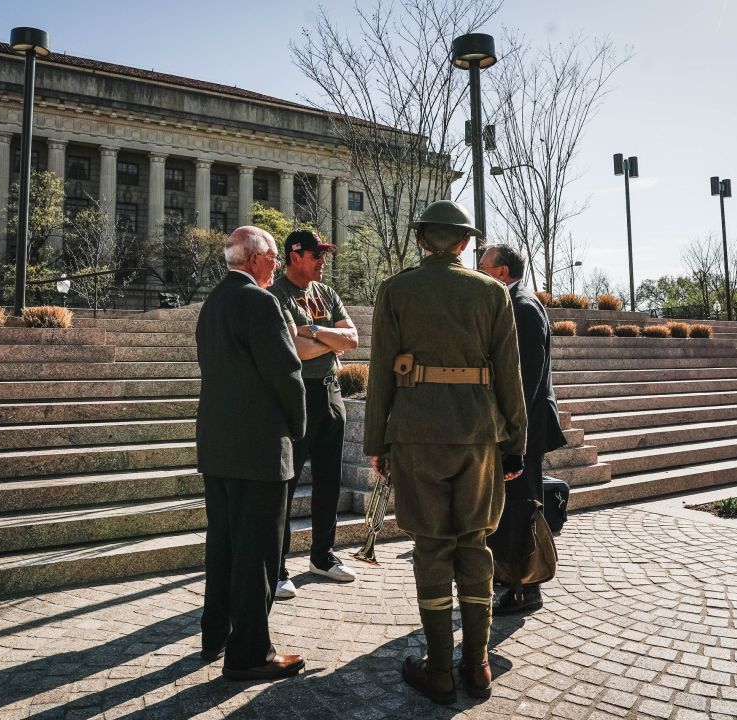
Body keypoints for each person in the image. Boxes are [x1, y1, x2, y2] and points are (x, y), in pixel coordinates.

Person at [363, 200, 528, 705]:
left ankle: (438, 670)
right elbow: (509, 375)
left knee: (432, 547)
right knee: (474, 543)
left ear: (421, 241)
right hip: (478, 436)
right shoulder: (493, 292)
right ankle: (477, 665)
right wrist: (515, 446)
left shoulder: (395, 290)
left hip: (415, 436)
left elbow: (380, 375)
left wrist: (377, 444)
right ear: (463, 243)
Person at [196, 226, 307, 681]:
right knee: (257, 553)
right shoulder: (261, 302)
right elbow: (287, 373)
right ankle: (249, 654)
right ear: (255, 258)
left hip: (218, 446)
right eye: (275, 256)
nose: (278, 264)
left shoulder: (212, 303)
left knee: (222, 544)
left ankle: (214, 633)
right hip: (260, 448)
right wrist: (299, 427)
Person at [477, 244, 569, 615]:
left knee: (521, 507)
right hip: (519, 427)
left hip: (524, 429)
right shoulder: (511, 303)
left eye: (482, 266)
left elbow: (525, 381)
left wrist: (512, 435)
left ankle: (525, 589)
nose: (477, 272)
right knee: (513, 505)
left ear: (501, 272)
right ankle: (509, 580)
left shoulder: (523, 307)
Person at [268, 229, 361, 598]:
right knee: (287, 485)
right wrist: (328, 340)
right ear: (295, 255)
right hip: (298, 397)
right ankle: (276, 568)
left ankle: (322, 556)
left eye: (324, 253)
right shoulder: (276, 296)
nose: (323, 260)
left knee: (329, 480)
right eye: (316, 254)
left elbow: (352, 339)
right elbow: (295, 349)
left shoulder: (326, 294)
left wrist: (313, 330)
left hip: (332, 395)